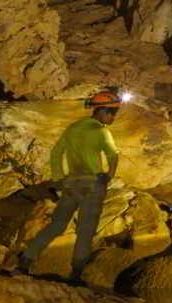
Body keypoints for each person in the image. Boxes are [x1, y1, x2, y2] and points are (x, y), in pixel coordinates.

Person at [19, 86, 125, 280]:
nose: (113, 118)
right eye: (112, 113)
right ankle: (76, 274)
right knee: (85, 230)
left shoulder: (73, 128)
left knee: (57, 225)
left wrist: (59, 179)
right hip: (92, 185)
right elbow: (113, 155)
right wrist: (108, 176)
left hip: (71, 184)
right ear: (102, 111)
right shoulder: (101, 132)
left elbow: (56, 153)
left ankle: (25, 260)